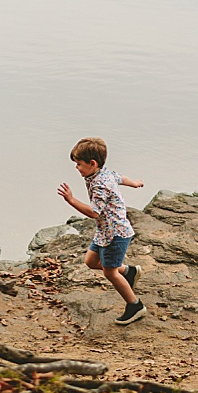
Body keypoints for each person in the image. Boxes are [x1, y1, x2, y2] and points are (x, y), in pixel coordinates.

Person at [58, 137, 147, 325]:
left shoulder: (100, 184)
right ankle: (129, 272)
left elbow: (93, 212)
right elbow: (120, 178)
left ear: (92, 163)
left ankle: (135, 305)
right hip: (104, 231)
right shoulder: (102, 173)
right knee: (90, 261)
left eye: (79, 164)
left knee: (110, 272)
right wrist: (135, 183)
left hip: (115, 234)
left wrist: (71, 200)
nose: (76, 168)